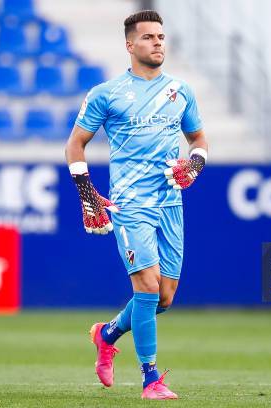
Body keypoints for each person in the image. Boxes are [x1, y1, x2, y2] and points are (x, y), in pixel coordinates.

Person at [64, 10, 208, 400]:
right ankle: (151, 379)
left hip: (170, 204)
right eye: (148, 37)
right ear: (130, 45)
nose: (158, 42)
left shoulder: (181, 91)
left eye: (161, 36)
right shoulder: (106, 94)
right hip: (131, 205)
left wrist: (193, 165)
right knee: (145, 285)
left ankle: (106, 334)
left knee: (163, 297)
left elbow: (198, 141)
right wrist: (86, 193)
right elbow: (75, 144)